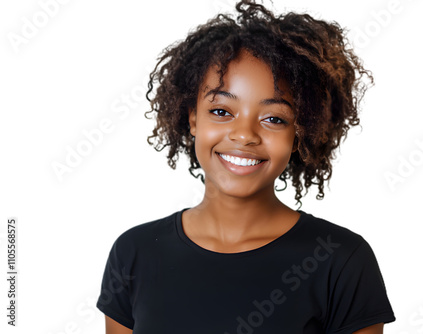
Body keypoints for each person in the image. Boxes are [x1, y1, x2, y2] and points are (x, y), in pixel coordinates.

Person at [96, 1, 396, 333]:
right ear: (193, 118)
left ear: (298, 135)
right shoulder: (134, 253)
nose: (244, 135)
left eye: (273, 118)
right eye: (222, 111)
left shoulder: (341, 261)